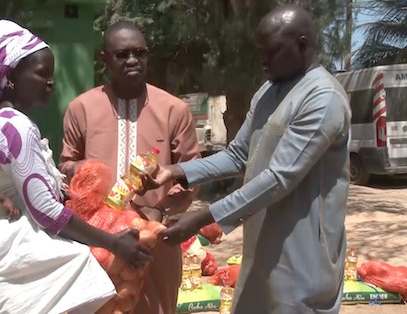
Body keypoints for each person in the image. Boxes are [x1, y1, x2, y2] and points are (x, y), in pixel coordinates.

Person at [140, 5, 351, 313]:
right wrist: (175, 171)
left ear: (303, 45)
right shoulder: (268, 91)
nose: (263, 60)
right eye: (260, 51)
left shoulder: (323, 98)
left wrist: (202, 218)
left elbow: (280, 178)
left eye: (272, 51)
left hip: (303, 252)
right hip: (261, 243)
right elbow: (239, 155)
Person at [0, 19, 151, 314]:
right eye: (42, 74)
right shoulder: (16, 127)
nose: (51, 82)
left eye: (52, 74)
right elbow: (46, 213)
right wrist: (113, 243)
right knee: (81, 267)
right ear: (11, 77)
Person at [59, 21, 200, 314]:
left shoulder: (174, 110)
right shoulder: (81, 108)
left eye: (140, 53)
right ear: (105, 59)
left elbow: (191, 174)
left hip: (155, 239)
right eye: (123, 54)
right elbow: (64, 167)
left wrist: (159, 210)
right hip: (99, 240)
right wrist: (80, 169)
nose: (133, 60)